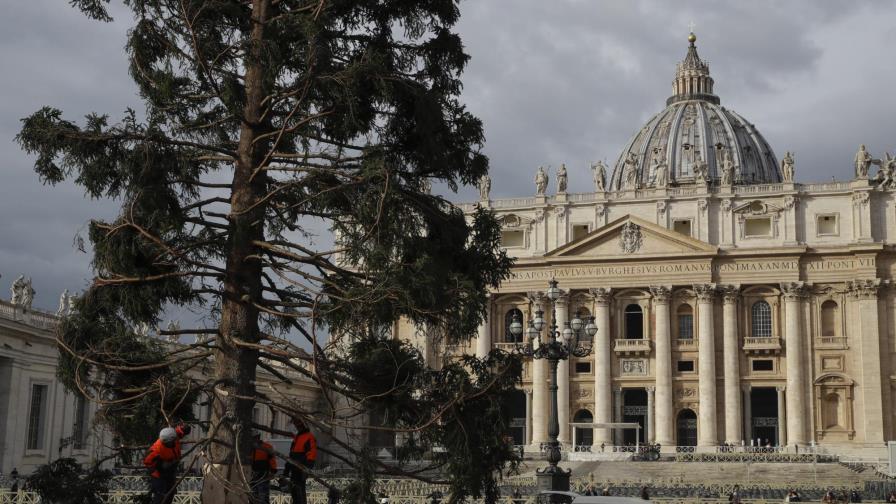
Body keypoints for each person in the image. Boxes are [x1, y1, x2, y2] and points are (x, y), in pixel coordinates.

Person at [143, 424, 190, 504]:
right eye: (172, 442)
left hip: (170, 469)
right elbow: (147, 462)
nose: (175, 441)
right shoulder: (156, 450)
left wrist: (184, 429)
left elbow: (179, 431)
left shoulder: (172, 435)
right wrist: (160, 468)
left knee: (170, 493)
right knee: (161, 495)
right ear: (167, 442)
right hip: (159, 474)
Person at [284, 418, 318, 504]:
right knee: (295, 492)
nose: (297, 427)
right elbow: (291, 455)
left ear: (302, 426)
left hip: (301, 468)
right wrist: (286, 470)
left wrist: (307, 469)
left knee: (299, 492)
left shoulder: (309, 437)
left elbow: (311, 453)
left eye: (298, 425)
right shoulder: (297, 437)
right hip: (294, 468)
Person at [250, 432, 278, 504]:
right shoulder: (251, 448)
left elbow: (272, 459)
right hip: (253, 473)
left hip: (263, 473)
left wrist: (273, 470)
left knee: (263, 493)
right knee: (253, 492)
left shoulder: (266, 447)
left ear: (257, 438)